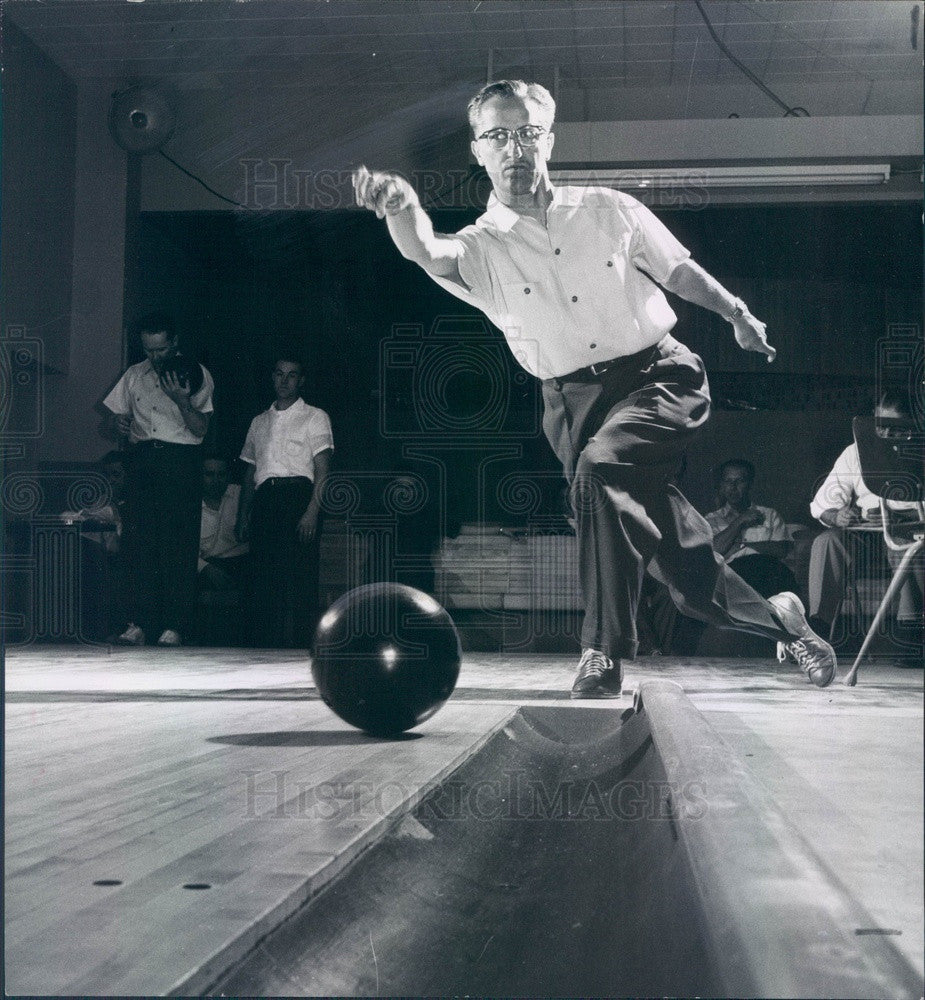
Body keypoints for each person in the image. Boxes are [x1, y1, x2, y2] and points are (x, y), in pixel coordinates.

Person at [353, 78, 836, 697]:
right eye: (497, 136)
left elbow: (679, 270)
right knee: (686, 575)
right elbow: (425, 250)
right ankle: (786, 623)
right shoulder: (483, 247)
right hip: (573, 407)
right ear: (479, 150)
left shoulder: (609, 209)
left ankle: (601, 652)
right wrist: (400, 206)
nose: (514, 148)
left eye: (526, 133)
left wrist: (737, 314)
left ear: (548, 140)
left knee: (601, 470)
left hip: (659, 379)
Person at [102, 313, 213, 646]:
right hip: (142, 461)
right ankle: (138, 624)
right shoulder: (134, 375)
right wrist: (117, 426)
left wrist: (181, 400)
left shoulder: (196, 373)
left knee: (177, 547)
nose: (156, 357)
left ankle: (174, 627)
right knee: (139, 545)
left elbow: (201, 430)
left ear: (175, 342)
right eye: (149, 350)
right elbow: (111, 421)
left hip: (180, 462)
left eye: (162, 349)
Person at [808, 393, 923, 640]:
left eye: (897, 427)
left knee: (907, 545)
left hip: (910, 528)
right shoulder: (855, 453)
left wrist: (901, 517)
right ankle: (817, 628)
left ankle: (911, 633)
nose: (888, 434)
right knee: (827, 542)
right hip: (866, 532)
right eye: (882, 425)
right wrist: (837, 516)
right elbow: (823, 504)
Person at [236, 354, 333, 647]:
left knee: (300, 577)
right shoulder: (259, 421)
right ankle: (263, 647)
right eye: (279, 374)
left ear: (301, 381)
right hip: (266, 499)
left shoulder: (314, 416)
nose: (284, 381)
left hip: (299, 498)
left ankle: (302, 646)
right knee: (264, 576)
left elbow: (323, 469)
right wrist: (243, 515)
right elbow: (251, 471)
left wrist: (311, 512)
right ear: (272, 377)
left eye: (292, 375)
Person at [706, 459, 796, 599]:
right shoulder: (710, 520)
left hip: (768, 573)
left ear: (750, 484)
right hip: (732, 578)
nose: (733, 487)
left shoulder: (769, 515)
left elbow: (781, 550)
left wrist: (742, 545)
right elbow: (713, 551)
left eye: (739, 481)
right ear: (722, 485)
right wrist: (740, 522)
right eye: (728, 481)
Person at [199, 455, 249, 591]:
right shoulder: (190, 505)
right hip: (210, 564)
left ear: (228, 475)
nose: (215, 480)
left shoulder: (240, 494)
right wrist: (206, 568)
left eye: (221, 474)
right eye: (209, 474)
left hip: (244, 561)